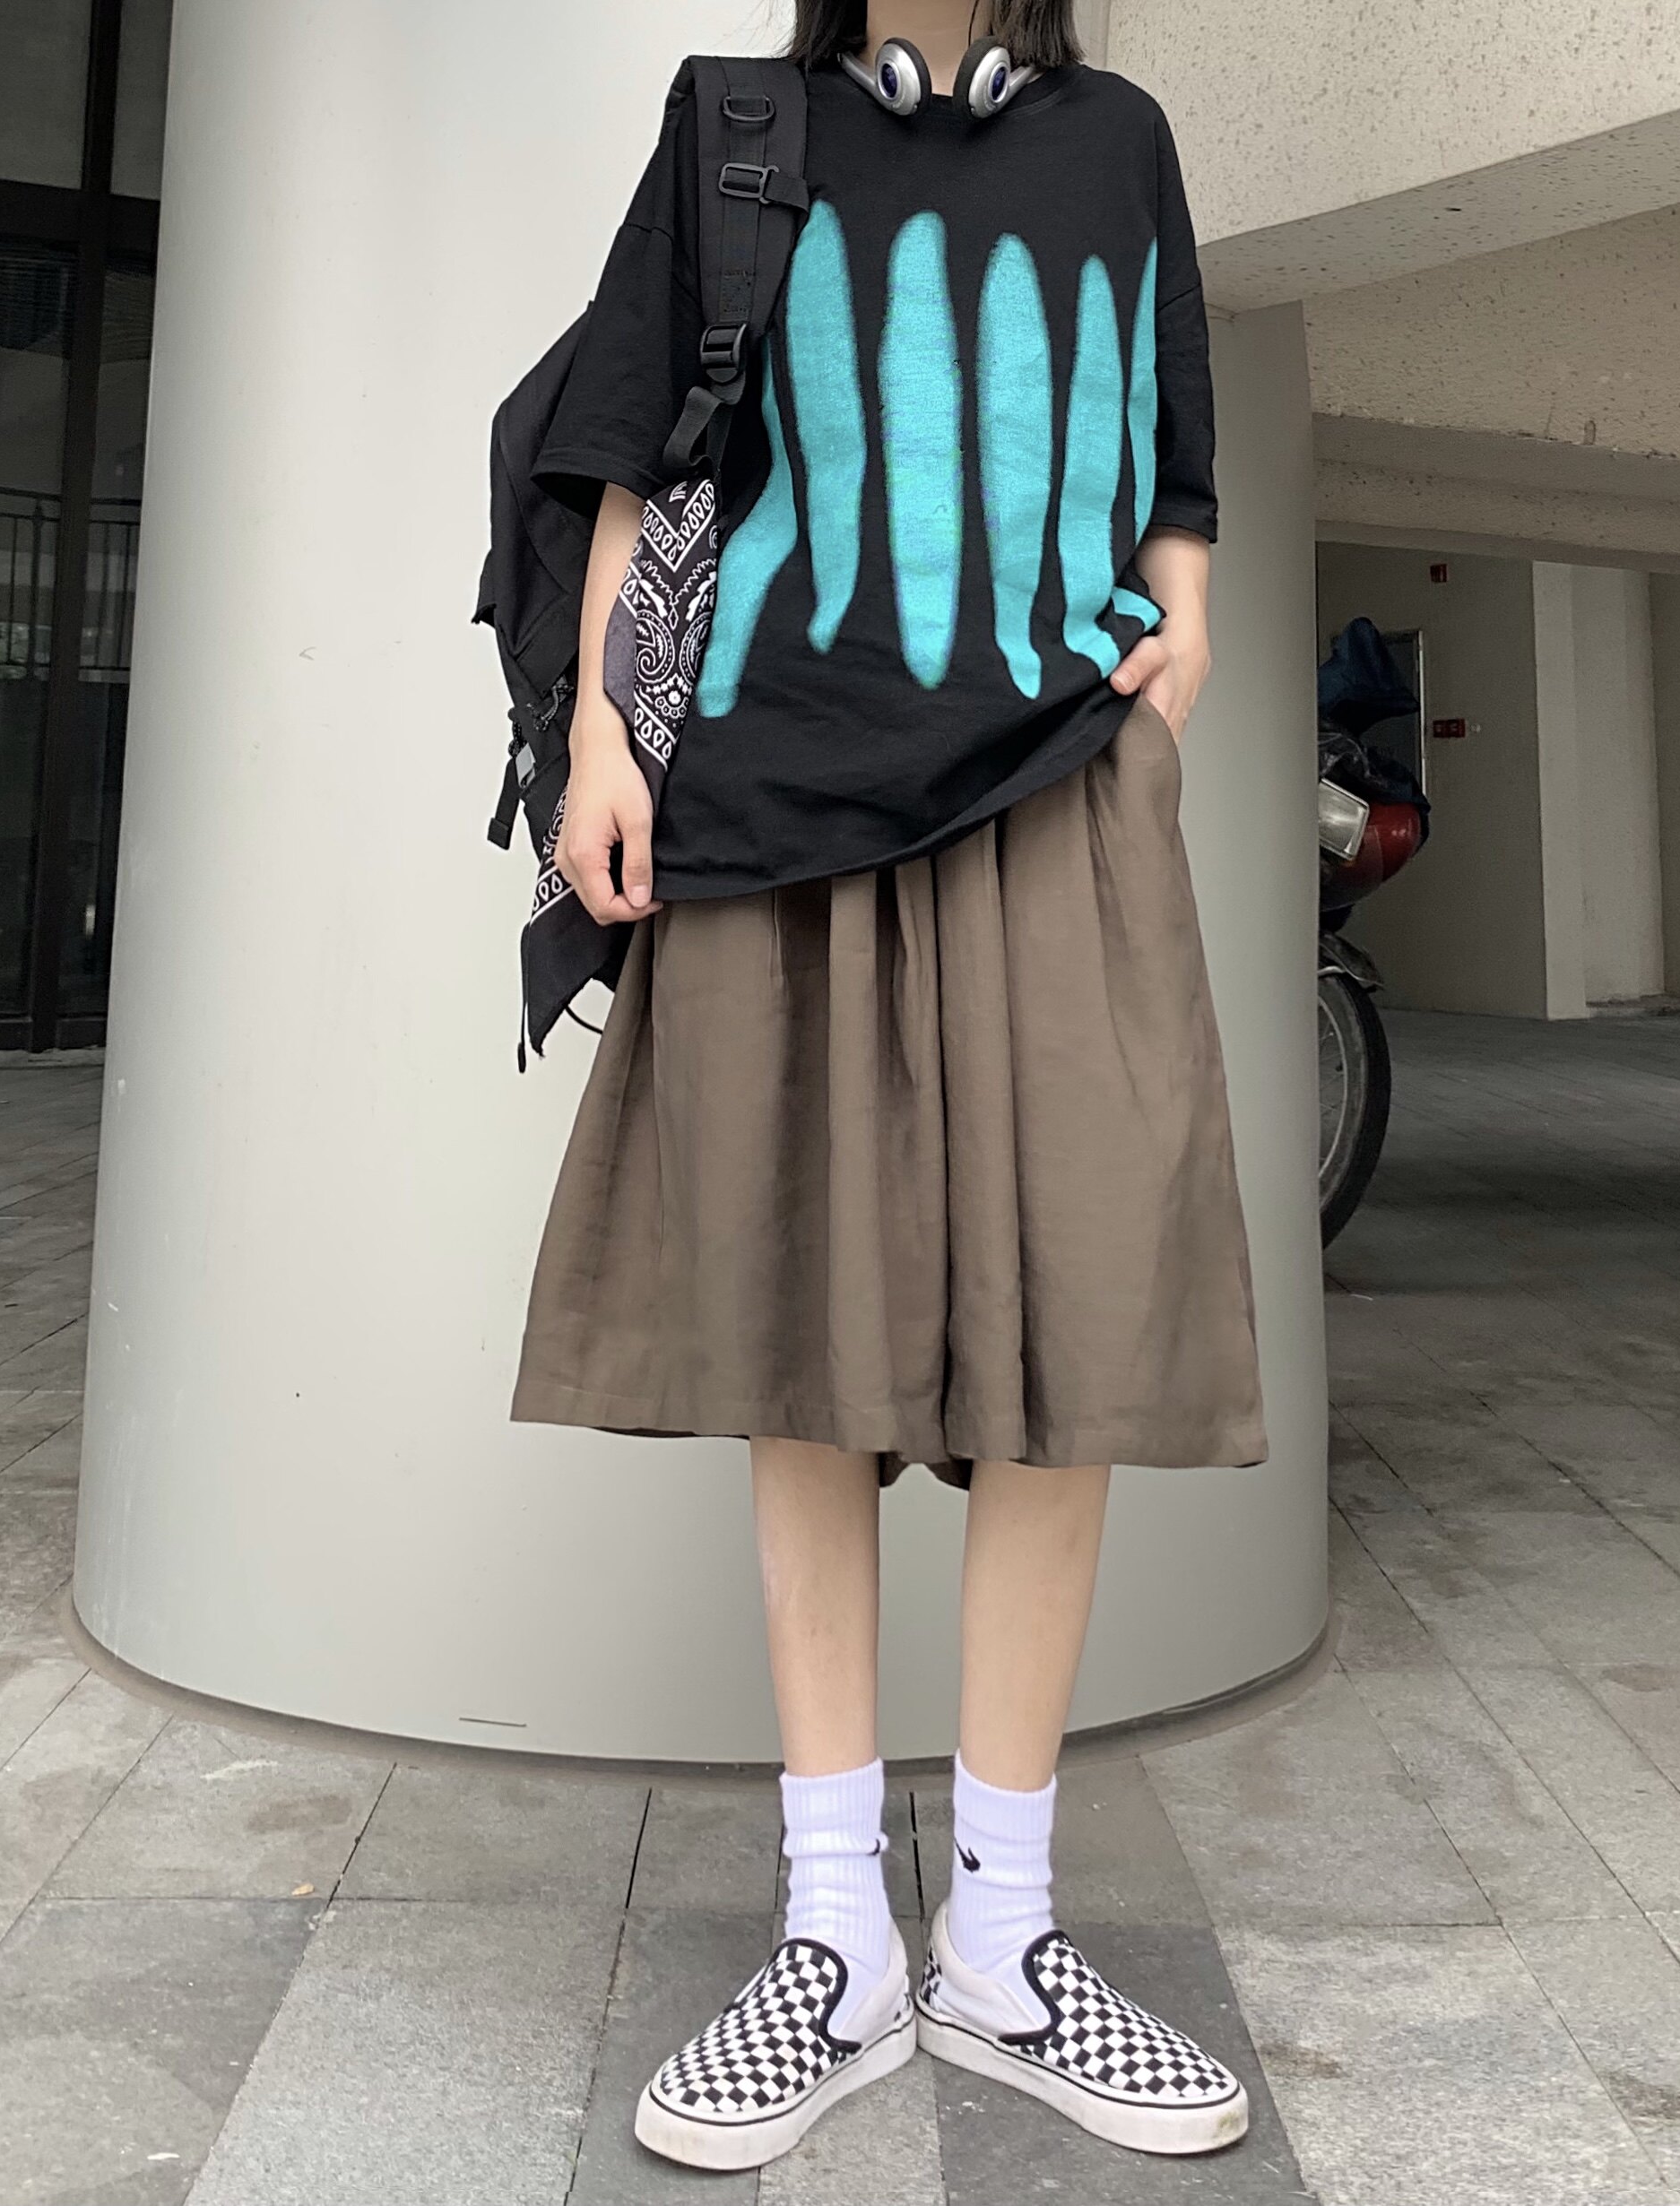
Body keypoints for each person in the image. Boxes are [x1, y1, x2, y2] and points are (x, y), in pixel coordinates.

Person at [511, 0, 1265, 2169]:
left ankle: (1003, 1942)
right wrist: (602, 737)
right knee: (803, 1348)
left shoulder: (1121, 139)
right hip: (774, 801)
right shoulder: (735, 123)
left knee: (1075, 1346)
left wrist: (1176, 648)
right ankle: (836, 1933)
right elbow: (640, 447)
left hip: (1054, 790)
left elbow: (1174, 459)